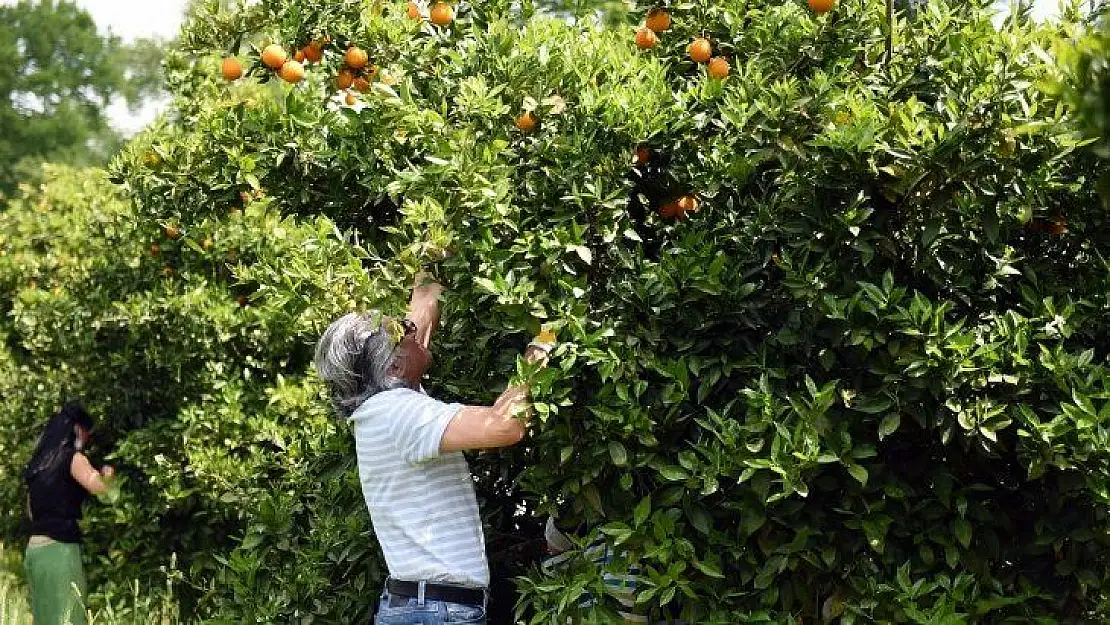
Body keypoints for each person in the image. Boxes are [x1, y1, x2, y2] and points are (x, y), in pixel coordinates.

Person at [314, 272, 550, 625]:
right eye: (402, 332)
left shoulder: (383, 407)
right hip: (435, 612)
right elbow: (505, 425)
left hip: (424, 607)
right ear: (393, 364)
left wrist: (436, 249)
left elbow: (423, 308)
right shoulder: (398, 414)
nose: (414, 330)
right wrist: (545, 341)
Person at [23, 400, 115, 625]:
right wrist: (109, 474)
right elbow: (101, 489)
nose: (87, 439)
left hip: (34, 552)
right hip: (59, 551)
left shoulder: (37, 467)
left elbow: (30, 512)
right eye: (86, 432)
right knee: (70, 618)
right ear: (76, 429)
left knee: (44, 620)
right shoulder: (72, 458)